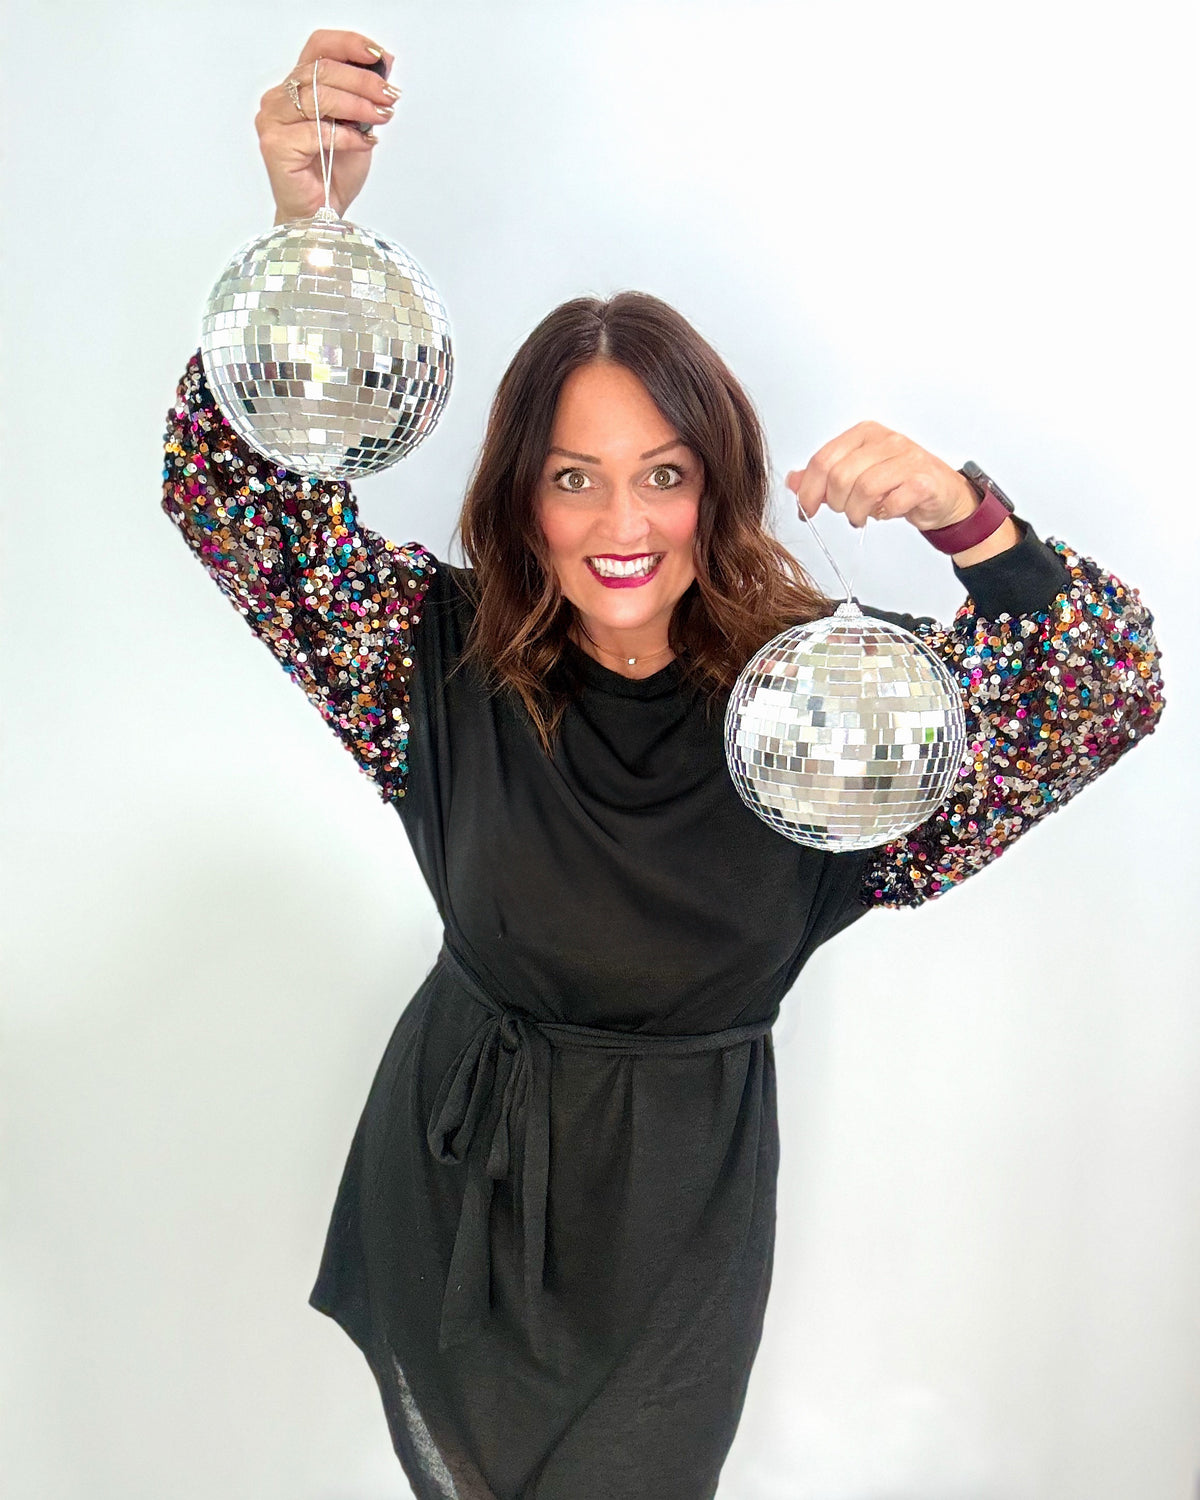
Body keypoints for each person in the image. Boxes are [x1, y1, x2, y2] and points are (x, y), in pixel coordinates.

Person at [161, 29, 1166, 1500]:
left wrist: (971, 523)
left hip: (678, 1234)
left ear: (717, 483)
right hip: (459, 1168)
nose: (617, 519)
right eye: (573, 476)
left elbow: (1109, 682)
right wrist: (301, 233)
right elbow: (226, 492)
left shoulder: (830, 715)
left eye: (663, 472)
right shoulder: (442, 664)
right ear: (525, 495)